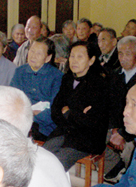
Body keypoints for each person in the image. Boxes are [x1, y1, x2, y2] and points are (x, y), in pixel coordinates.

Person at [43, 41, 108, 171]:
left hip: (88, 138)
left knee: (57, 162)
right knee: (41, 155)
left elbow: (91, 120)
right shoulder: (67, 78)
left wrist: (68, 113)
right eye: (72, 56)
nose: (74, 61)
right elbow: (56, 109)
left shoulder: (99, 84)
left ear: (91, 60)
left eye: (80, 57)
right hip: (65, 130)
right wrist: (75, 113)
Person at [104, 36, 136, 181]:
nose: (123, 58)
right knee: (92, 133)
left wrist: (123, 134)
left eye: (127, 54)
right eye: (120, 53)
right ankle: (115, 163)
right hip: (119, 125)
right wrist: (115, 128)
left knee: (131, 151)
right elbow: (111, 105)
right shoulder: (114, 75)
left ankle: (131, 177)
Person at [10, 38, 63, 141]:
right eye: (32, 51)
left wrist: (28, 115)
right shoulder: (19, 72)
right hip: (20, 123)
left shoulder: (57, 76)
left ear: (48, 58)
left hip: (44, 128)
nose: (33, 55)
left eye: (39, 53)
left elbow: (54, 110)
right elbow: (12, 99)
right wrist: (31, 113)